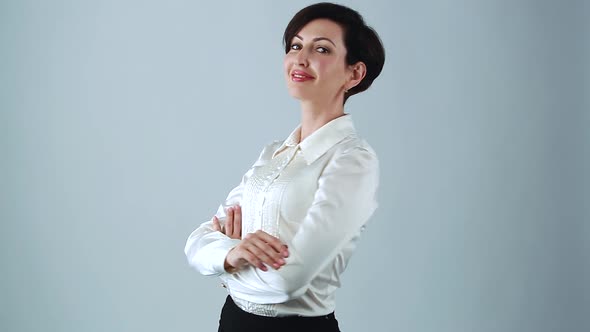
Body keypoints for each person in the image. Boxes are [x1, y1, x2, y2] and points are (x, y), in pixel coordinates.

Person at [184, 3, 385, 331]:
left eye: (321, 48)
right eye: (295, 45)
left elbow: (288, 280)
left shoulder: (352, 160)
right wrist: (232, 254)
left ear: (355, 73)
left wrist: (227, 263)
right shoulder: (273, 154)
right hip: (233, 321)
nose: (300, 58)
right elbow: (195, 243)